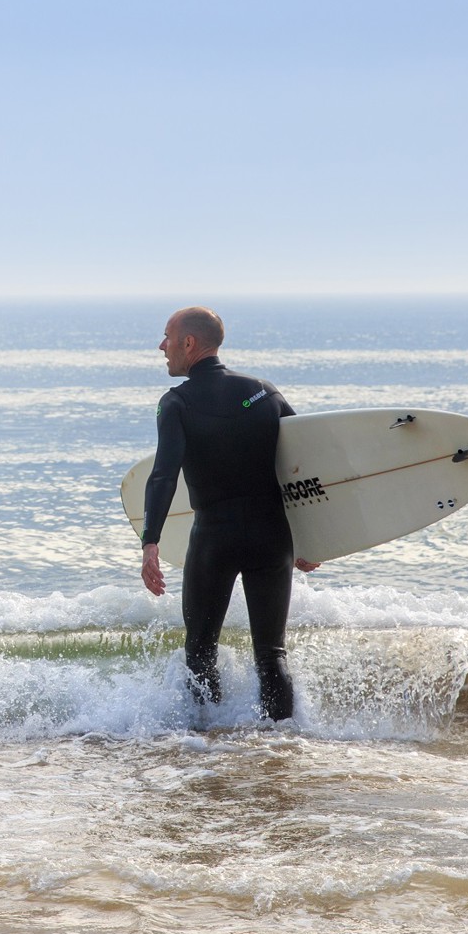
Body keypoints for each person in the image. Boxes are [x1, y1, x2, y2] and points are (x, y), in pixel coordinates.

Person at [140, 306, 317, 721]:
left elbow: (163, 475)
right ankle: (283, 747)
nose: (161, 346)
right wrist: (310, 537)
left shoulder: (176, 403)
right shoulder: (263, 391)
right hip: (273, 538)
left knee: (200, 652)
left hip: (214, 540)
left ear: (189, 343)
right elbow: (305, 464)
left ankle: (207, 748)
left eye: (168, 337)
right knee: (272, 654)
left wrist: (150, 543)